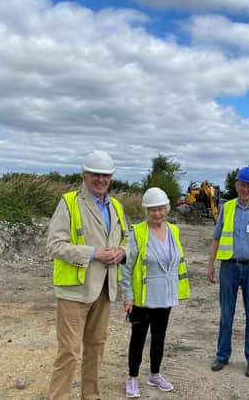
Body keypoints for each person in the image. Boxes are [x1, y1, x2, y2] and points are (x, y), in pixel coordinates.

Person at [46, 150, 129, 400]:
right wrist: (94, 253)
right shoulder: (69, 203)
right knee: (69, 351)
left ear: (111, 177)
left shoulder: (115, 206)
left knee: (96, 347)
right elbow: (54, 245)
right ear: (84, 175)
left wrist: (121, 252)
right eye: (95, 174)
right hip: (75, 289)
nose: (100, 179)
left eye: (105, 175)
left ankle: (90, 395)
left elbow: (127, 238)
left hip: (104, 288)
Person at [120, 187, 190, 398]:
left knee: (159, 336)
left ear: (167, 209)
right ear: (146, 211)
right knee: (138, 338)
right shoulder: (138, 232)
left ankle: (155, 374)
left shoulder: (173, 231)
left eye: (161, 209)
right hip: (143, 297)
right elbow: (126, 267)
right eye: (153, 210)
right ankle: (132, 378)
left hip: (165, 296)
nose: (158, 214)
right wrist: (128, 295)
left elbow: (176, 262)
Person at [207, 166, 249, 377]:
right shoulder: (226, 208)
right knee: (226, 315)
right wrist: (210, 265)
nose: (246, 189)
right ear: (236, 185)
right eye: (242, 185)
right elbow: (216, 238)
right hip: (229, 267)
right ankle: (222, 355)